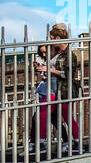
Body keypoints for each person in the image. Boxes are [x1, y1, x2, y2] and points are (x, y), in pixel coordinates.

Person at [33, 24, 81, 153]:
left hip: (64, 90)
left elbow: (67, 75)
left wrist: (49, 70)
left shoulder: (69, 55)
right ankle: (41, 142)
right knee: (43, 112)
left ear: (58, 38)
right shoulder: (57, 53)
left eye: (52, 38)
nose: (51, 41)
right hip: (53, 88)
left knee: (66, 116)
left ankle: (76, 142)